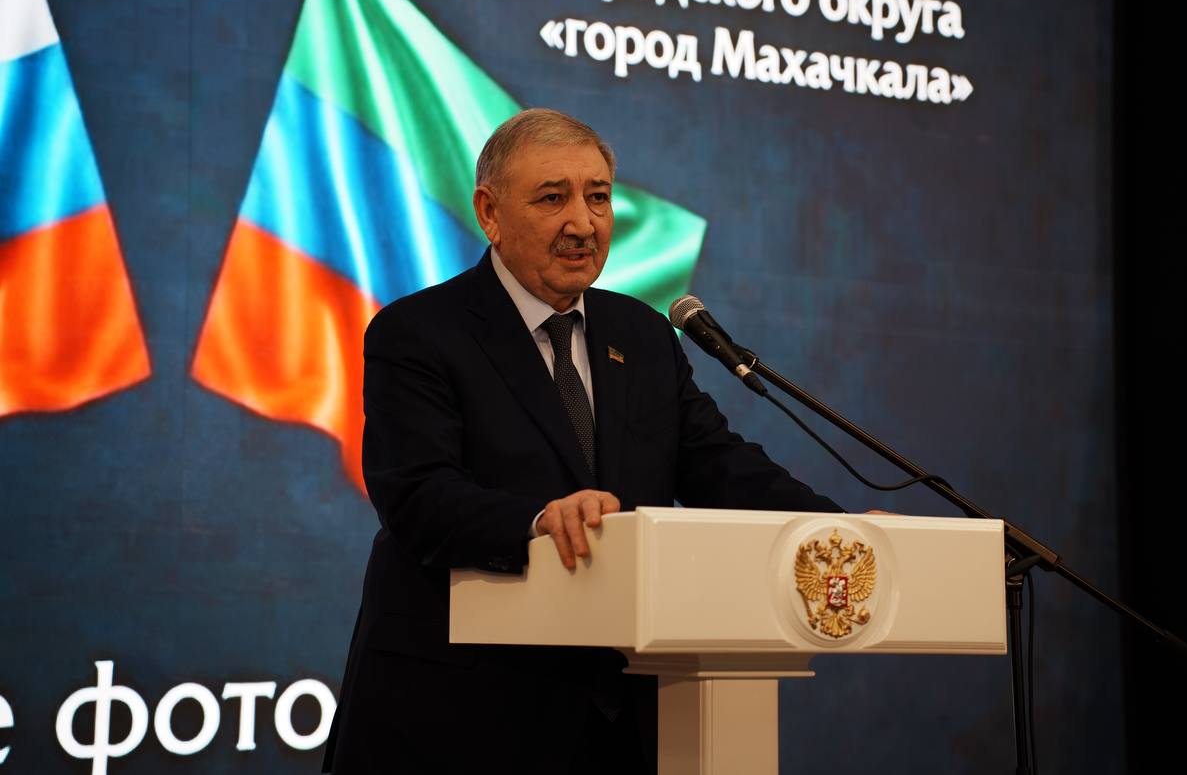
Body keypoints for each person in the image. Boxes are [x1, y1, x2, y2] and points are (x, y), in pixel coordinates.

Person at [322, 109, 843, 775]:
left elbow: (716, 463)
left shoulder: (643, 333)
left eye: (598, 197)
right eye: (552, 198)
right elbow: (416, 494)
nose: (583, 223)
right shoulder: (420, 331)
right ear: (489, 213)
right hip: (459, 709)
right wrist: (539, 519)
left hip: (618, 714)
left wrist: (838, 530)